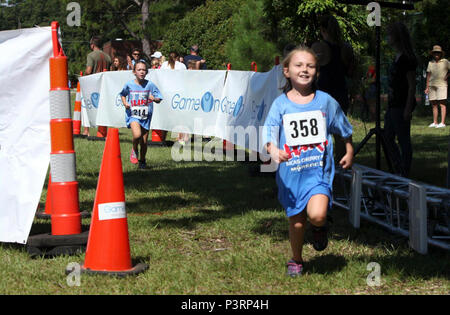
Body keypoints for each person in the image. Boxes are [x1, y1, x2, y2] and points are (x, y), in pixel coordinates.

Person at [262, 46, 353, 277]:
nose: (305, 70)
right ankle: (297, 259)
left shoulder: (325, 101)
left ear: (317, 72)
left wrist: (349, 150)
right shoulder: (280, 104)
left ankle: (320, 227)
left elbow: (343, 126)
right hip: (291, 174)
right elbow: (269, 132)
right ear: (286, 71)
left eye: (310, 66)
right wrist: (273, 149)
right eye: (299, 65)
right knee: (297, 221)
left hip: (318, 172)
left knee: (317, 215)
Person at [311, 15, 354, 161]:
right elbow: (351, 72)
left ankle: (323, 165)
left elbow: (311, 71)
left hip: (324, 94)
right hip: (340, 92)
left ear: (323, 30)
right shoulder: (346, 48)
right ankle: (342, 165)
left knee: (320, 132)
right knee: (340, 133)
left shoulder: (319, 47)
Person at [385, 22, 418, 177]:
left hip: (401, 105)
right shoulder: (397, 57)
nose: (387, 37)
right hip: (393, 103)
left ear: (397, 37)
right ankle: (398, 168)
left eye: (390, 34)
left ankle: (404, 172)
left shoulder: (407, 59)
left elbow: (412, 85)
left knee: (403, 139)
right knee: (388, 136)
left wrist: (407, 108)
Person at [120, 61, 163, 169]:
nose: (142, 72)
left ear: (147, 72)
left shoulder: (150, 85)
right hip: (133, 115)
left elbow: (159, 98)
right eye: (139, 70)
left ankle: (142, 161)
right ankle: (134, 149)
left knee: (144, 142)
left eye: (144, 70)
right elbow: (123, 95)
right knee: (137, 135)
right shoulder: (129, 84)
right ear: (134, 72)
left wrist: (154, 99)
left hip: (146, 116)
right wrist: (125, 103)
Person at [84, 36, 112, 136]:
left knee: (87, 106)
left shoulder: (91, 55)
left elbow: (89, 71)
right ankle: (102, 131)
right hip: (104, 86)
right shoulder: (108, 57)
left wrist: (84, 75)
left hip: (92, 85)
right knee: (102, 108)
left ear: (92, 45)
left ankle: (86, 130)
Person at [425, 45, 449, 128]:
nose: (436, 54)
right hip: (432, 85)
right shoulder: (430, 63)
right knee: (434, 104)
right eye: (435, 52)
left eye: (438, 52)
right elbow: (428, 75)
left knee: (442, 104)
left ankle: (442, 123)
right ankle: (435, 122)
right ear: (433, 53)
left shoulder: (445, 61)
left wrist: (447, 76)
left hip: (442, 85)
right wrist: (427, 87)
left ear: (441, 53)